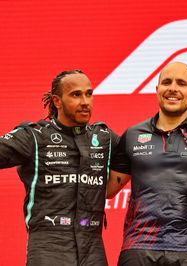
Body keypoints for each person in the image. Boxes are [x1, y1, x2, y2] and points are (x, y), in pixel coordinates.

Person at [108, 62, 187, 266]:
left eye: (181, 83)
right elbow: (107, 190)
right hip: (138, 248)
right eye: (166, 82)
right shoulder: (132, 135)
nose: (173, 88)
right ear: (157, 90)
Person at [0, 70, 119, 265]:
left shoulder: (104, 138)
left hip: (93, 249)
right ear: (57, 101)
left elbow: (143, 158)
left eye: (89, 94)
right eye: (76, 94)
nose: (85, 101)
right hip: (48, 248)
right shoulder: (34, 137)